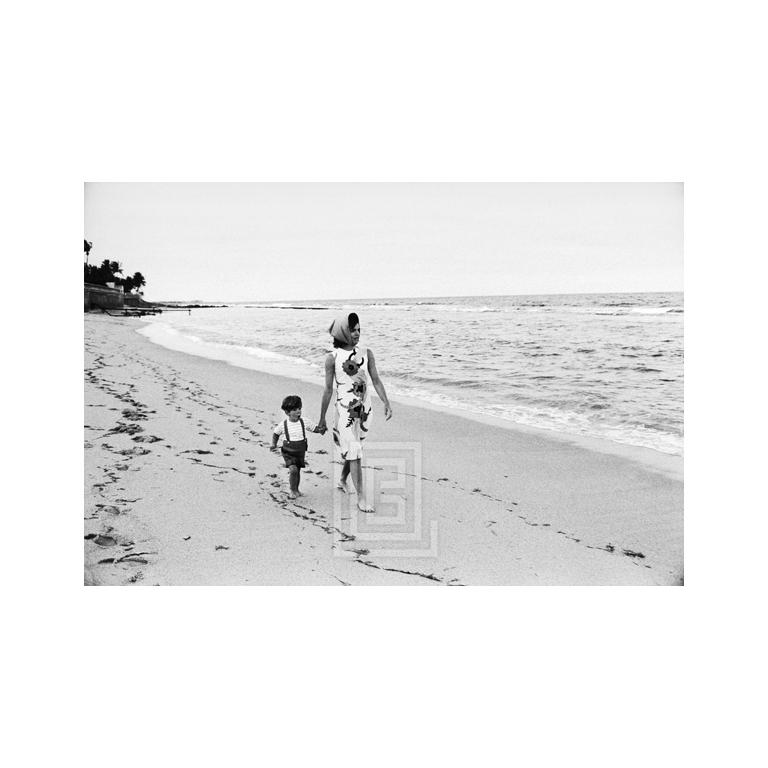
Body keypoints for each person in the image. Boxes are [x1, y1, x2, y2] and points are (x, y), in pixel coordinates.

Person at [317, 312, 392, 512]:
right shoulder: (331, 358)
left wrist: (386, 401)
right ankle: (361, 498)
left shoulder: (366, 353)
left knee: (355, 449)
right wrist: (322, 417)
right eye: (353, 330)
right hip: (345, 412)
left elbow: (375, 379)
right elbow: (328, 389)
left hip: (364, 410)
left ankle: (342, 479)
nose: (357, 333)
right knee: (355, 451)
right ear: (343, 332)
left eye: (359, 329)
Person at [270, 395, 325, 499]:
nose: (298, 411)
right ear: (287, 412)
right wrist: (274, 444)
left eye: (299, 408)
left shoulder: (304, 421)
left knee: (298, 471)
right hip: (288, 451)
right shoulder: (283, 424)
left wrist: (321, 430)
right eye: (294, 410)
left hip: (300, 451)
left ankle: (296, 489)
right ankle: (292, 490)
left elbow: (315, 429)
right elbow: (276, 433)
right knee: (293, 470)